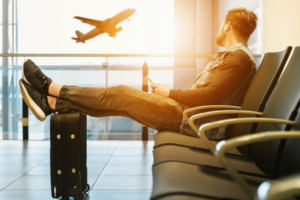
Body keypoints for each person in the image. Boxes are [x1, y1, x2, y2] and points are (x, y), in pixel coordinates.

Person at [19, 7, 258, 140]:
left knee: (120, 94)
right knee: (121, 104)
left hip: (190, 121)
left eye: (221, 25)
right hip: (189, 116)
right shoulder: (235, 58)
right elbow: (210, 95)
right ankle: (51, 103)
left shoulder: (237, 58)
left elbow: (210, 97)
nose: (218, 29)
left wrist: (171, 92)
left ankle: (51, 88)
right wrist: (171, 94)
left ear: (227, 25)